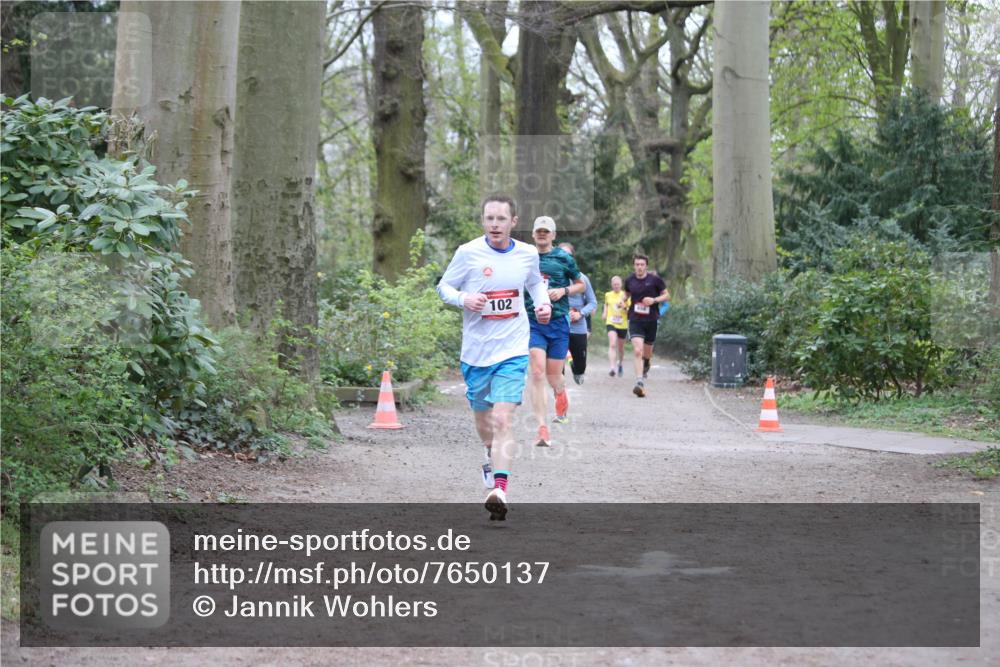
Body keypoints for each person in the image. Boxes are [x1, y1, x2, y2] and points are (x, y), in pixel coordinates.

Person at [436, 195, 552, 520]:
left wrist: (543, 305)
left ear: (513, 222)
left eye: (501, 219)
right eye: (489, 219)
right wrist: (463, 298)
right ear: (483, 220)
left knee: (503, 419)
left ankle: (500, 489)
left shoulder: (527, 254)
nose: (495, 225)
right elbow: (444, 286)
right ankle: (490, 454)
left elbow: (535, 286)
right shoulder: (468, 253)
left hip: (513, 349)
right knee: (484, 423)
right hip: (476, 352)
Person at [523, 216, 584, 446]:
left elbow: (581, 284)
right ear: (533, 234)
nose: (542, 234)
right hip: (532, 321)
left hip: (558, 322)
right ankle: (542, 428)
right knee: (537, 372)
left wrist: (564, 291)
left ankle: (560, 393)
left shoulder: (563, 257)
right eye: (538, 230)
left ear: (553, 235)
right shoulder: (524, 256)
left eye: (546, 231)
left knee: (553, 376)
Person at [624, 254, 669, 398]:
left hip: (651, 320)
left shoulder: (655, 280)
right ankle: (639, 382)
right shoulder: (629, 280)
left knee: (647, 352)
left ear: (646, 266)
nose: (639, 267)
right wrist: (621, 301)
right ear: (634, 266)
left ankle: (647, 363)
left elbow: (667, 296)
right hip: (635, 319)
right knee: (637, 350)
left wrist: (654, 300)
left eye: (642, 264)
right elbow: (626, 294)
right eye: (637, 264)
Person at [558, 242, 597, 385]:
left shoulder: (582, 278)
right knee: (557, 363)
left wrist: (580, 313)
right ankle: (559, 388)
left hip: (578, 327)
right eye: (561, 255)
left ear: (572, 259)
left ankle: (577, 370)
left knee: (580, 366)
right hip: (558, 325)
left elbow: (593, 303)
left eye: (568, 255)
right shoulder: (552, 278)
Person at [602, 275, 629, 377]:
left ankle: (620, 363)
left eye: (618, 284)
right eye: (614, 284)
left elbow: (630, 311)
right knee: (612, 344)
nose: (616, 286)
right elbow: (606, 304)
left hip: (622, 324)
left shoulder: (626, 295)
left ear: (621, 284)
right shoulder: (608, 294)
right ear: (612, 285)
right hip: (611, 322)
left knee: (621, 348)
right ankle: (612, 368)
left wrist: (624, 307)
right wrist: (605, 312)